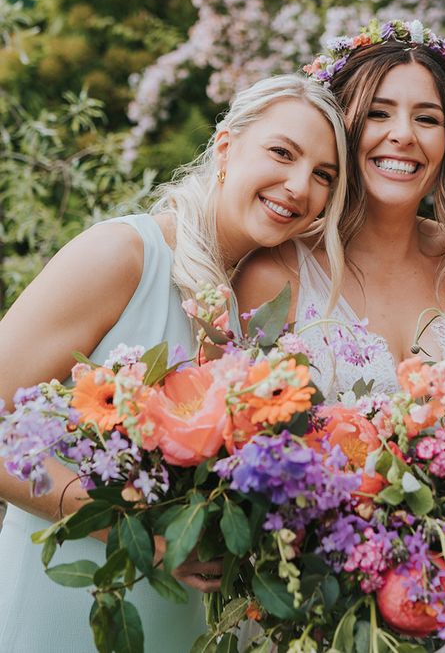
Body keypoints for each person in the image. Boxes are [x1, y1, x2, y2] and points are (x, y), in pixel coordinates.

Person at [0, 74, 348, 651]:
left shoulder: (256, 315)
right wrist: (146, 533)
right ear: (226, 146)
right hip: (68, 606)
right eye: (282, 153)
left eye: (323, 175)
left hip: (187, 623)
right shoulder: (124, 255)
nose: (298, 185)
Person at [236, 20, 445, 400]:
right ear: (341, 128)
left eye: (427, 119)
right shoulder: (272, 276)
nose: (404, 135)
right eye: (378, 113)